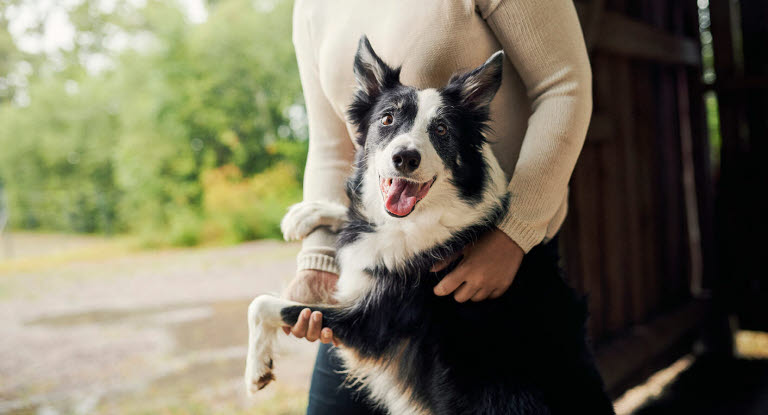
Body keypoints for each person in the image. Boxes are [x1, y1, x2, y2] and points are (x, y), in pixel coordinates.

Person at [280, 0, 592, 413]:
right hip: (377, 270)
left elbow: (564, 87)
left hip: (490, 274)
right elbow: (333, 144)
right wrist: (318, 258)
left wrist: (514, 233)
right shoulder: (311, 8)